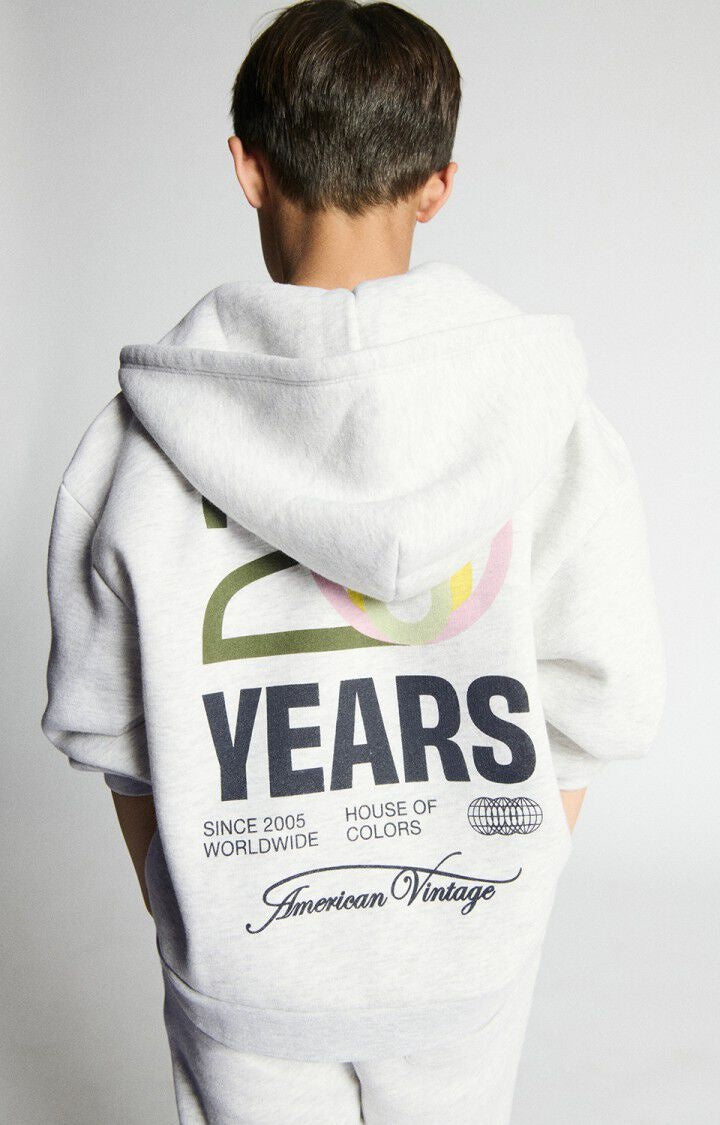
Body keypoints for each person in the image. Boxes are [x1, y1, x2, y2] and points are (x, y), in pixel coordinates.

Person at [39, 1, 666, 1122]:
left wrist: (203, 914)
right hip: (469, 963)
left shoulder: (132, 447)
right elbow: (599, 698)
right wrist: (500, 901)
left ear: (248, 167)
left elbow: (109, 731)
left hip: (244, 975)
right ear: (439, 185)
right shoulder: (554, 428)